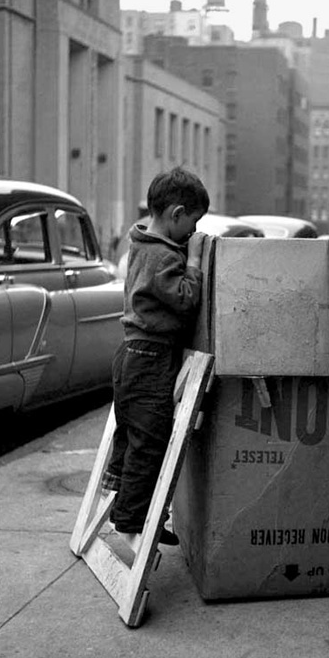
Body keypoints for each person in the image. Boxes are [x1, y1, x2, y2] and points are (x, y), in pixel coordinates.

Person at [102, 167, 209, 553]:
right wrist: (194, 260)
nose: (192, 232)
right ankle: (130, 528)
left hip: (132, 354)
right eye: (193, 222)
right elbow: (183, 299)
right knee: (149, 442)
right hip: (148, 357)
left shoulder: (142, 243)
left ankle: (139, 513)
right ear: (177, 214)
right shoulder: (163, 255)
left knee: (132, 436)